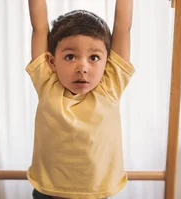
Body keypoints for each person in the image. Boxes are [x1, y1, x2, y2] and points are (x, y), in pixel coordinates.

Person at [26, 0, 134, 198]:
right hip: (48, 192)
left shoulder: (110, 86)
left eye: (93, 58)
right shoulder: (47, 83)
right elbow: (39, 27)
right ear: (51, 61)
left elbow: (123, 28)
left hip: (96, 193)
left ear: (107, 62)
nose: (82, 67)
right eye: (70, 57)